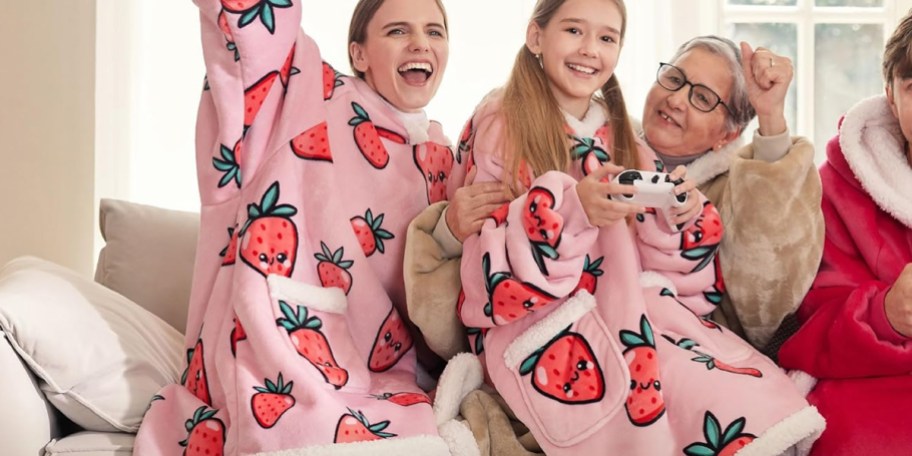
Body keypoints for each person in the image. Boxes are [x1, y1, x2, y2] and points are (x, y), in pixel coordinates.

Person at [440, 0, 826, 454]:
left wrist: (677, 220)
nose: (589, 49)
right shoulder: (502, 122)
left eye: (606, 38)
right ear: (536, 36)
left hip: (636, 313)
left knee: (724, 394)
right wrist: (571, 211)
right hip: (546, 325)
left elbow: (690, 283)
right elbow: (486, 261)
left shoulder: (627, 141)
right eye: (573, 31)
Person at [134, 0, 503, 454]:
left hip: (400, 373)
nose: (420, 43)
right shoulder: (315, 97)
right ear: (359, 54)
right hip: (298, 346)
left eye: (435, 31)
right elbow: (259, 41)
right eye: (397, 31)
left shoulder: (448, 156)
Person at [778, 10, 912, 455]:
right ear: (891, 97)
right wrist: (886, 314)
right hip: (875, 379)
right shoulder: (838, 187)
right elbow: (811, 325)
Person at [640, 35, 825, 353]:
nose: (676, 100)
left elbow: (768, 291)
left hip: (690, 355)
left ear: (728, 134)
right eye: (673, 79)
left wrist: (770, 117)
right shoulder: (598, 143)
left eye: (702, 98)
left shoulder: (730, 193)